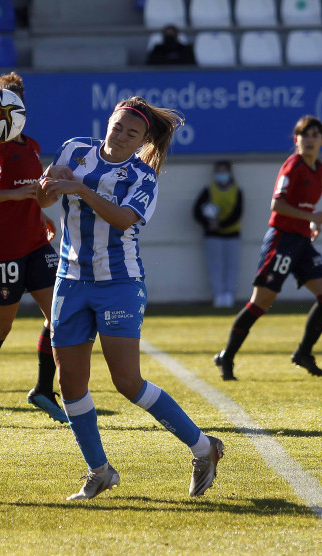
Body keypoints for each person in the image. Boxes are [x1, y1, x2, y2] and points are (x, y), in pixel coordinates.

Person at [37, 96, 224, 501]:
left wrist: (79, 188)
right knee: (70, 382)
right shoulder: (74, 149)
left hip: (118, 282)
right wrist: (47, 187)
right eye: (117, 126)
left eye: (132, 133)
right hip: (69, 279)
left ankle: (204, 447)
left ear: (143, 140)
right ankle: (99, 470)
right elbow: (46, 198)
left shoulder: (143, 176)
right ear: (107, 122)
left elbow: (123, 220)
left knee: (127, 381)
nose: (121, 135)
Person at [0, 72, 66, 427]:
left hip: (36, 242)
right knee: (0, 327)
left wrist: (41, 213)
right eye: (1, 101)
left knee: (60, 317)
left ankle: (42, 389)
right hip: (3, 248)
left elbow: (32, 190)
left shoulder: (31, 146)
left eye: (15, 103)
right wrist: (17, 195)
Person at [214, 116, 322, 381]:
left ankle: (303, 353)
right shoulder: (292, 165)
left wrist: (312, 223)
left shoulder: (320, 169)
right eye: (304, 134)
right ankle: (228, 356)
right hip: (282, 240)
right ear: (296, 140)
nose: (310, 139)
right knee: (260, 304)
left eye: (315, 134)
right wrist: (312, 218)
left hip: (302, 242)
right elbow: (277, 205)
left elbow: (303, 207)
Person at [193, 160, 242, 308]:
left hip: (232, 235)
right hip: (212, 237)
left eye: (224, 171)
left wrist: (220, 225)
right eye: (219, 171)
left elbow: (237, 214)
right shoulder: (208, 190)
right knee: (215, 267)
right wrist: (208, 224)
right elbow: (196, 212)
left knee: (232, 267)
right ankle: (218, 296)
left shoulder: (236, 191)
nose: (222, 174)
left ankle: (229, 296)